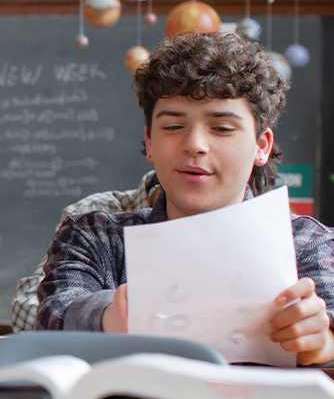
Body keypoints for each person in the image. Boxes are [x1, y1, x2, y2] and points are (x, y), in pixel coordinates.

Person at [37, 32, 334, 366]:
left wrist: (322, 341)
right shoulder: (94, 237)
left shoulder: (308, 242)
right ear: (149, 142)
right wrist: (109, 317)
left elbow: (328, 320)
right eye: (174, 126)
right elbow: (51, 319)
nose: (195, 145)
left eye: (221, 128)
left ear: (261, 146)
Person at [8, 171, 160, 332]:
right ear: (150, 147)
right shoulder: (91, 221)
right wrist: (104, 314)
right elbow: (28, 308)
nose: (190, 149)